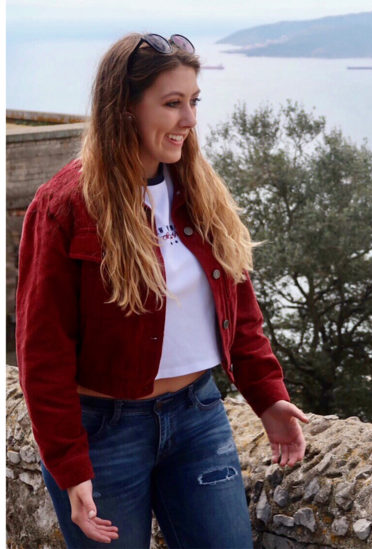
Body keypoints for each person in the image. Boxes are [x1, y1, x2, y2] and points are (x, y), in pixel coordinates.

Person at [15, 33, 308, 548]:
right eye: (172, 104)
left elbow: (240, 312)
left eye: (194, 102)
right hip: (103, 434)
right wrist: (68, 461)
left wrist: (268, 398)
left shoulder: (199, 191)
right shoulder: (64, 205)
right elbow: (43, 349)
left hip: (198, 418)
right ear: (124, 108)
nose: (190, 120)